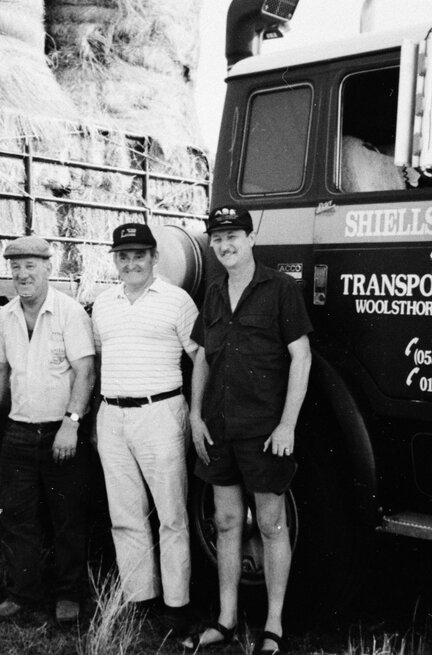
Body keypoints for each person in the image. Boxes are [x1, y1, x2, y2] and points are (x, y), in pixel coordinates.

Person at [182, 206, 312, 655]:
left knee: (273, 524)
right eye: (217, 238)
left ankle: (273, 626)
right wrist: (196, 415)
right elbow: (203, 358)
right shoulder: (214, 292)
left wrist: (288, 424)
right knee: (227, 522)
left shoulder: (280, 289)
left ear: (251, 238)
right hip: (218, 429)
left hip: (263, 432)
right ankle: (226, 618)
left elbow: (302, 356)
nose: (224, 245)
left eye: (233, 235)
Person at [0, 236, 96, 625]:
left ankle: (68, 596)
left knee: (68, 517)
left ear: (49, 268)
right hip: (19, 432)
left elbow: (85, 372)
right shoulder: (6, 316)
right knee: (16, 515)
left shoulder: (69, 312)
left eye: (31, 266)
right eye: (15, 267)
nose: (22, 274)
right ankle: (22, 594)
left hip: (60, 432)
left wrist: (71, 423)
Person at [91, 222, 199, 631]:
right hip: (113, 415)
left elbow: (200, 357)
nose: (131, 262)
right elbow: (101, 358)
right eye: (124, 256)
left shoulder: (178, 300)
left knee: (171, 515)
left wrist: (196, 412)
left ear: (155, 257)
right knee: (125, 514)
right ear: (115, 261)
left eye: (140, 254)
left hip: (161, 413)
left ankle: (177, 605)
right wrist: (98, 416)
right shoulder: (103, 303)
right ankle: (140, 599)